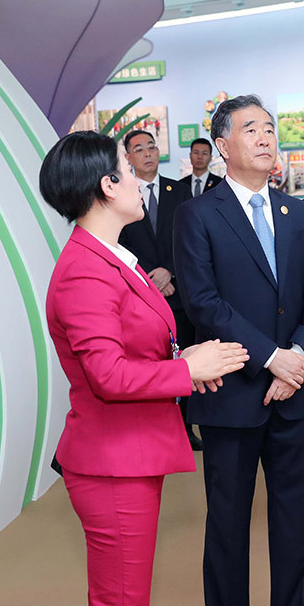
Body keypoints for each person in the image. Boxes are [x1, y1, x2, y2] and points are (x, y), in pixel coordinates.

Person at [40, 131, 247, 606]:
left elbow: (131, 350)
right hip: (112, 463)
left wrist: (186, 363)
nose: (138, 180)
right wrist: (184, 370)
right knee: (121, 600)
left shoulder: (111, 258)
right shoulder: (86, 270)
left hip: (130, 452)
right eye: (128, 170)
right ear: (108, 185)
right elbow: (108, 376)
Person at [173, 95, 304, 606]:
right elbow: (204, 303)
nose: (265, 138)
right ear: (222, 146)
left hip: (294, 391)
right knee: (228, 522)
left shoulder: (296, 212)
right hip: (233, 393)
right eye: (251, 129)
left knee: (294, 519)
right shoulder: (197, 214)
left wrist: (296, 358)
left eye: (269, 128)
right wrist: (271, 357)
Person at [119, 130, 201, 450]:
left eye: (151, 147)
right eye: (139, 149)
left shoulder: (179, 191)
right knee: (150, 364)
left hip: (178, 294)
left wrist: (169, 272)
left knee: (185, 361)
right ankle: (156, 430)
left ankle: (186, 428)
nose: (147, 153)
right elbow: (119, 243)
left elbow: (192, 239)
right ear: (128, 158)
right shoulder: (121, 193)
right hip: (140, 295)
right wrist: (148, 279)